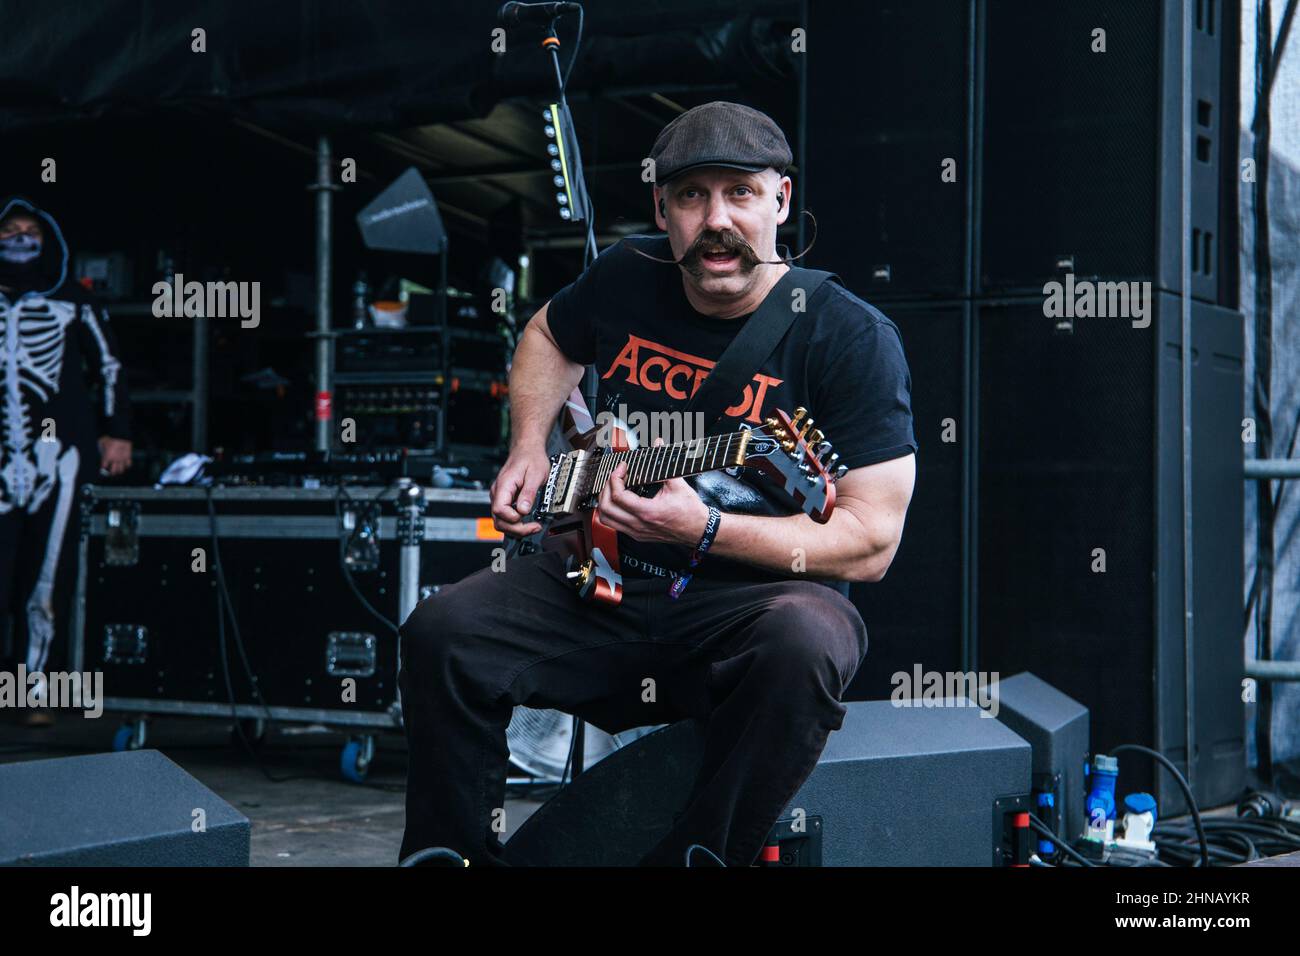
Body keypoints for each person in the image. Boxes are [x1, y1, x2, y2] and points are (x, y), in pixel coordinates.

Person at [398, 102, 917, 866]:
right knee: (441, 632)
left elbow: (870, 540)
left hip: (748, 597)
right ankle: (451, 856)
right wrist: (528, 449)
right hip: (598, 574)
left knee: (807, 643)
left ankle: (698, 856)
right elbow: (546, 333)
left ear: (780, 199)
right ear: (660, 210)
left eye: (740, 192)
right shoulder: (625, 275)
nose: (716, 219)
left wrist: (704, 529)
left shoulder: (848, 335)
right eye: (691, 196)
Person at [0, 197, 132, 724]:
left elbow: (112, 366)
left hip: (59, 454)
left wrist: (115, 434)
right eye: (10, 229)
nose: (20, 238)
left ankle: (32, 689)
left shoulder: (71, 299)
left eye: (30, 230)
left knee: (46, 575)